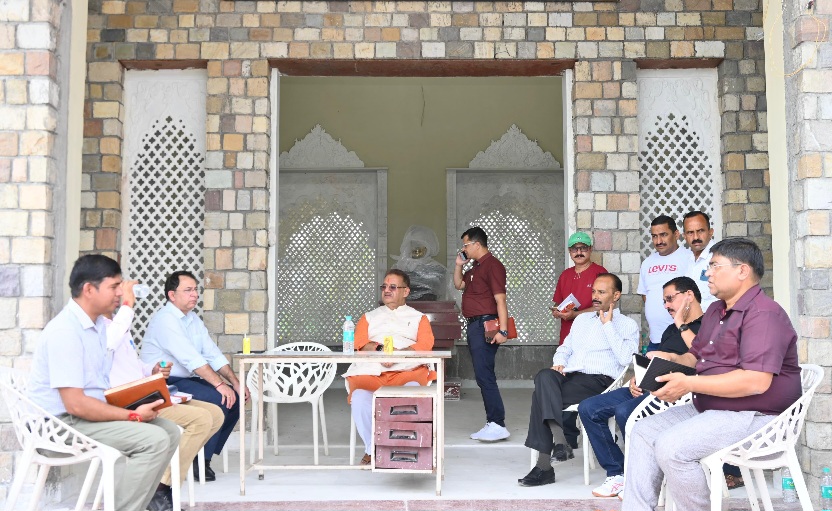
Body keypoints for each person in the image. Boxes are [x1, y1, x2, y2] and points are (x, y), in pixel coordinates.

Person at [622, 238, 802, 511]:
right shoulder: (717, 310)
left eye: (715, 266)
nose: (708, 273)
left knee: (671, 447)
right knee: (644, 430)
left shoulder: (763, 314)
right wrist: (668, 361)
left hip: (756, 416)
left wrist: (688, 383)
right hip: (712, 407)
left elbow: (755, 381)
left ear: (742, 271)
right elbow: (696, 357)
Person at [27, 255, 180, 511]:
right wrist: (133, 416)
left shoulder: (97, 325)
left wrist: (137, 401)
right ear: (89, 289)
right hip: (60, 424)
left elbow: (98, 387)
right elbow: (75, 404)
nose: (121, 293)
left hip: (83, 416)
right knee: (153, 440)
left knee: (170, 431)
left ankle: (137, 505)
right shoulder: (65, 331)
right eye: (114, 286)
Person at [577, 276, 704, 498]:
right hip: (647, 387)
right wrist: (637, 377)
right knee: (588, 408)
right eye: (664, 301)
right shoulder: (670, 330)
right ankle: (618, 472)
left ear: (689, 296)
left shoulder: (707, 327)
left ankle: (641, 475)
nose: (666, 306)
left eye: (670, 299)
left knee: (625, 411)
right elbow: (656, 360)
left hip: (676, 392)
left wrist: (681, 325)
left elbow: (701, 359)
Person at [106, 280, 224, 504]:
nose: (119, 294)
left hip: (144, 391)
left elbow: (132, 364)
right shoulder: (100, 328)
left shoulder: (116, 324)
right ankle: (161, 488)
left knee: (216, 414)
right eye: (113, 289)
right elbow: (108, 343)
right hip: (126, 401)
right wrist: (128, 305)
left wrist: (152, 370)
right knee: (201, 419)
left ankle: (163, 480)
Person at [518, 273, 638, 487]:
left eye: (602, 292)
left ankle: (545, 466)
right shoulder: (582, 320)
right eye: (594, 291)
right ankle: (560, 441)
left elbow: (625, 359)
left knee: (540, 397)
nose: (595, 296)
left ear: (616, 295)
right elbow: (565, 348)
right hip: (569, 375)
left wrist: (608, 325)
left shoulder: (627, 325)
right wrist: (559, 363)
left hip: (598, 381)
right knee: (544, 375)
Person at [141, 270, 250, 482]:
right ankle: (198, 462)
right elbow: (191, 359)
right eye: (188, 290)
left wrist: (235, 383)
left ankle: (202, 456)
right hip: (163, 382)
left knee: (236, 398)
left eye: (196, 290)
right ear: (172, 295)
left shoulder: (192, 320)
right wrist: (220, 385)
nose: (195, 294)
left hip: (186, 379)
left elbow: (212, 354)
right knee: (219, 397)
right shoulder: (166, 319)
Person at [342, 269, 435, 464]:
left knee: (413, 395)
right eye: (384, 286)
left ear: (405, 292)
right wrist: (380, 349)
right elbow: (359, 342)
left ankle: (402, 447)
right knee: (359, 398)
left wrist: (398, 355)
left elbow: (425, 345)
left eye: (393, 287)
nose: (387, 290)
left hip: (406, 373)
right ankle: (372, 448)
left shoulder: (419, 318)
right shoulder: (369, 317)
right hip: (371, 374)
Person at [453, 226, 511, 442]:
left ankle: (497, 423)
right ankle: (494, 422)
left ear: (477, 244)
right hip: (474, 325)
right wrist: (459, 265)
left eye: (466, 245)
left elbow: (500, 300)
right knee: (482, 373)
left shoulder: (493, 265)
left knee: (485, 374)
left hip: (485, 324)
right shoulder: (475, 267)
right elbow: (458, 284)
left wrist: (503, 330)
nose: (464, 249)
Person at [638, 215, 690, 351]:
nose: (658, 241)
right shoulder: (647, 263)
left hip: (681, 337)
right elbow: (645, 295)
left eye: (663, 235)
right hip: (655, 339)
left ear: (676, 234)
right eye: (654, 236)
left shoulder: (689, 258)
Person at [551, 232, 607, 345]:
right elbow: (558, 303)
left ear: (590, 249)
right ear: (569, 251)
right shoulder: (565, 275)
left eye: (583, 248)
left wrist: (575, 314)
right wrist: (557, 312)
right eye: (574, 249)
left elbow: (605, 306)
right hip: (568, 338)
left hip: (592, 337)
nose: (579, 252)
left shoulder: (600, 273)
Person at [682, 210, 718, 312]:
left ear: (710, 232)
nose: (696, 237)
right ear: (684, 236)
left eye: (700, 231)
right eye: (690, 232)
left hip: (714, 319)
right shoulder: (686, 259)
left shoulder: (720, 256)